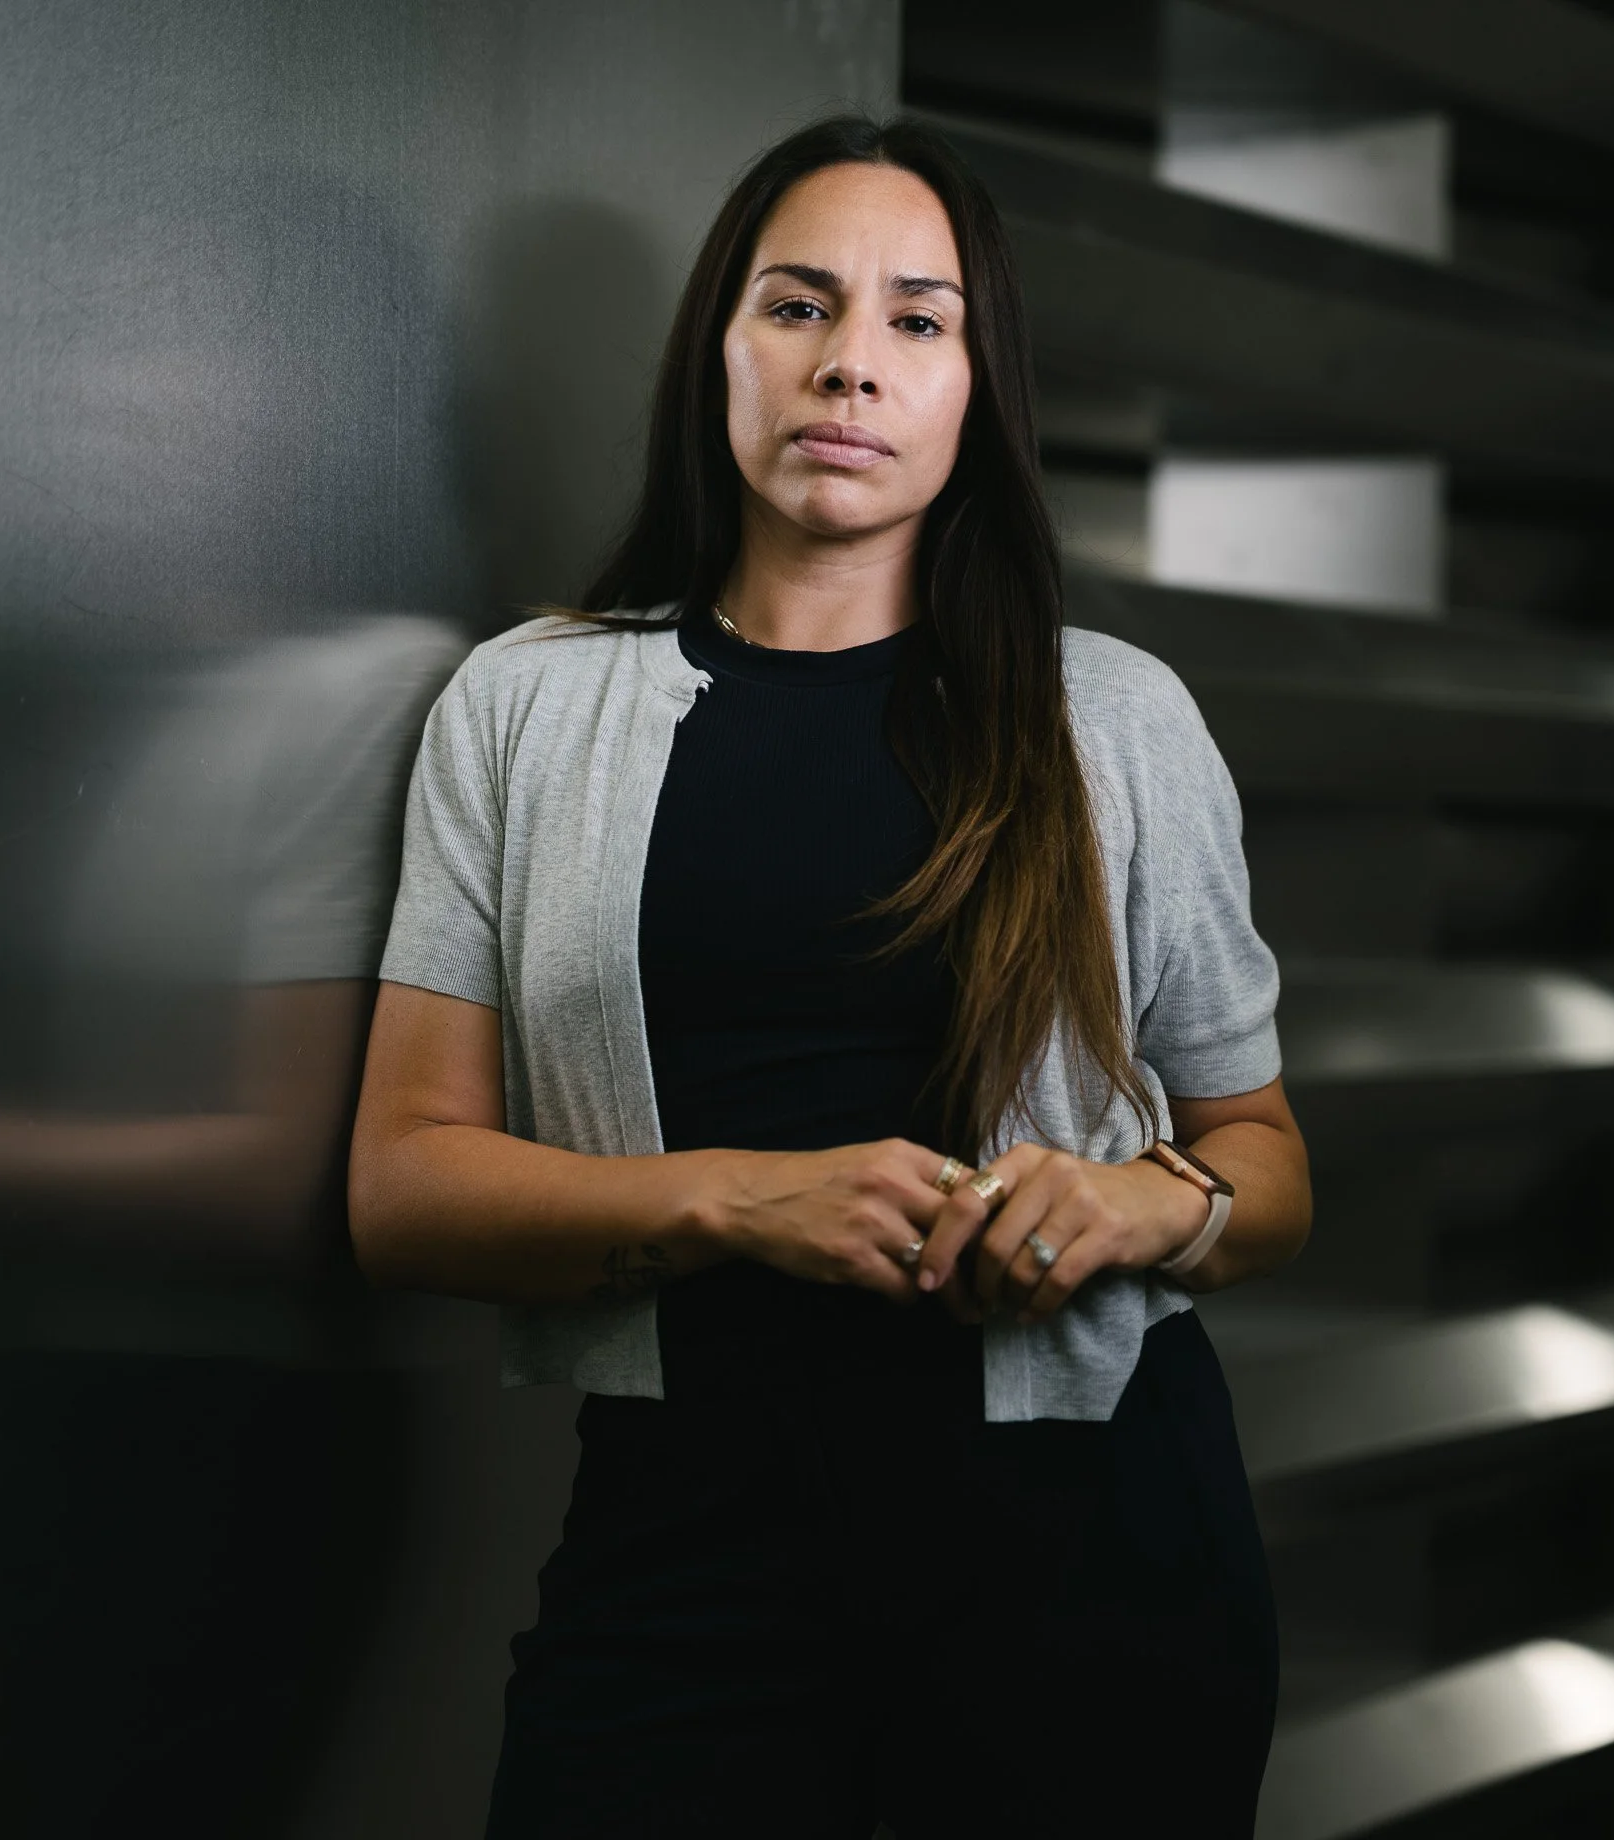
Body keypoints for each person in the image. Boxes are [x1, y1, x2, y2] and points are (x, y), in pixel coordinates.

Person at [347, 113, 1312, 1839]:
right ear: (719, 348)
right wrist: (729, 1201)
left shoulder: (1119, 719)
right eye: (797, 307)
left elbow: (1267, 1162)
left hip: (1091, 1578)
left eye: (917, 322)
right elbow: (403, 1188)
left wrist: (1136, 1208)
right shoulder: (522, 706)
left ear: (974, 387)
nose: (850, 365)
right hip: (685, 1562)